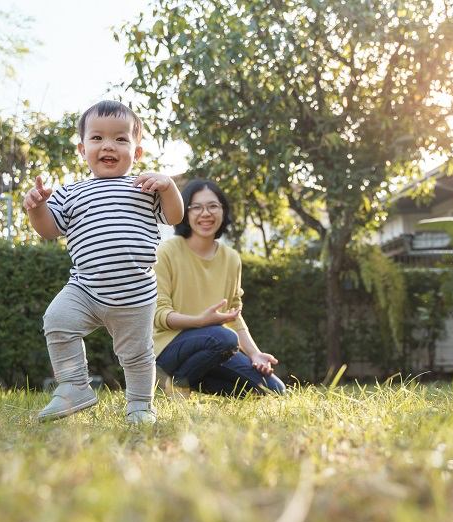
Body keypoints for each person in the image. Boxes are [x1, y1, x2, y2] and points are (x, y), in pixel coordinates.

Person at [23, 100, 184, 423]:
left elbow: (175, 215)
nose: (108, 145)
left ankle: (140, 405)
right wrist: (36, 208)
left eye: (120, 139)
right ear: (83, 150)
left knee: (137, 355)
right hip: (85, 288)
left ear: (136, 152)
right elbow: (49, 231)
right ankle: (73, 386)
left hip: (135, 293)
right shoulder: (70, 193)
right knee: (57, 321)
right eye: (97, 138)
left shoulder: (145, 188)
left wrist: (168, 186)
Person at [153, 180, 286, 396]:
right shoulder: (166, 252)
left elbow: (234, 315)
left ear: (223, 211)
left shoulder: (231, 258)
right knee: (224, 338)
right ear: (185, 213)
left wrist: (255, 354)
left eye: (213, 206)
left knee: (273, 390)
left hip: (214, 349)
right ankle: (177, 383)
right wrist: (199, 322)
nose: (205, 213)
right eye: (196, 207)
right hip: (167, 348)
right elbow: (158, 315)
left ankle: (190, 379)